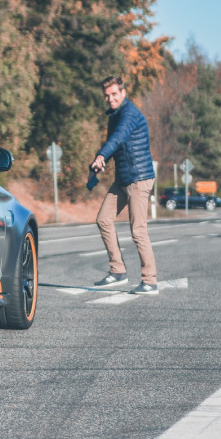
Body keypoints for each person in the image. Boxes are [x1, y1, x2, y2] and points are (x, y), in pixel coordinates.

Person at [90, 76, 158, 294]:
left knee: (138, 231)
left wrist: (102, 154)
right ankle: (118, 270)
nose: (110, 99)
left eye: (114, 94)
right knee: (103, 219)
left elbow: (118, 138)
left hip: (139, 179)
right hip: (122, 179)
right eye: (107, 96)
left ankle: (150, 280)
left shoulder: (129, 114)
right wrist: (100, 162)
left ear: (123, 93)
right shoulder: (115, 115)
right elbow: (113, 144)